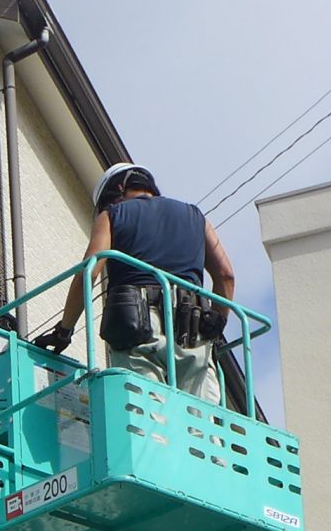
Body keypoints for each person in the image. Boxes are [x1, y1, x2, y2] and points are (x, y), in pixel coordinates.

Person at [35, 163, 239, 407]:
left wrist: (64, 332)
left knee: (148, 423)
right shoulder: (195, 216)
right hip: (193, 327)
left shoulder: (113, 215)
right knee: (200, 428)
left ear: (117, 190)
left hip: (139, 326)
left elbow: (89, 272)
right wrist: (215, 324)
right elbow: (226, 276)